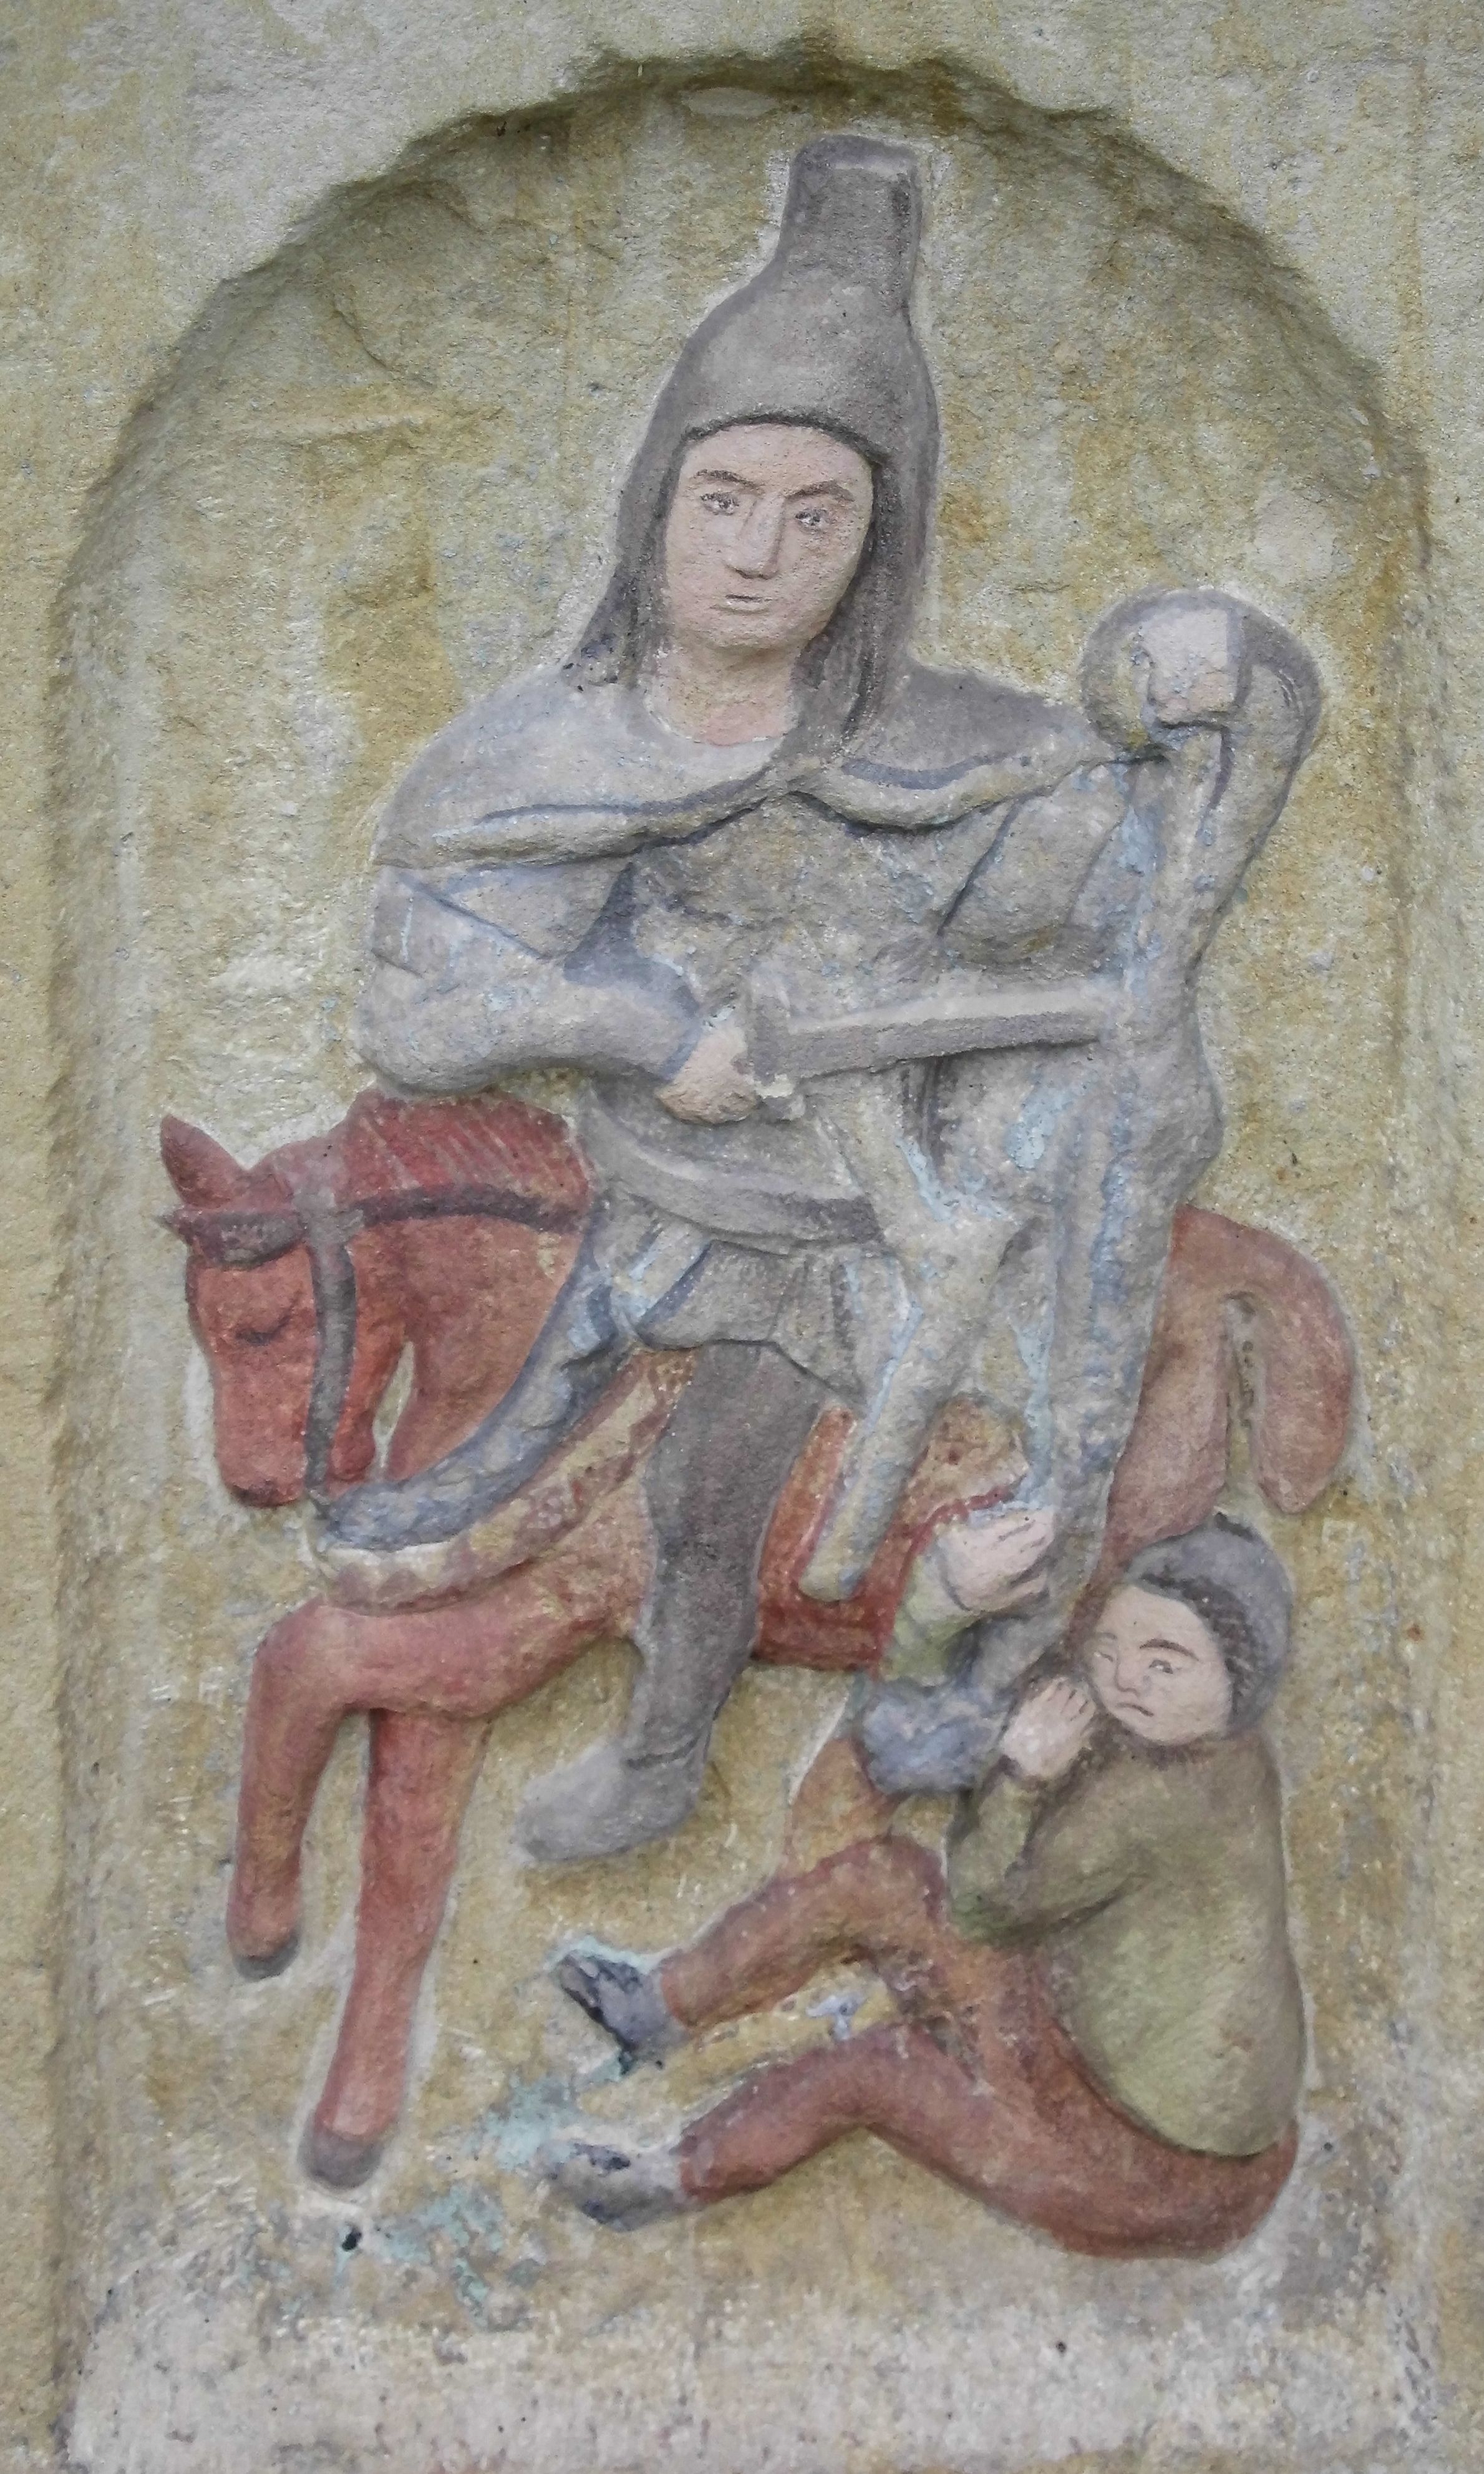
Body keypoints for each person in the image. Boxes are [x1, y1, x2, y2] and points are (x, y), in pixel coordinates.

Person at [319, 130, 1321, 1863]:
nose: (756, 555)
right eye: (721, 499)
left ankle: (823, 1715)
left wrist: (1232, 679)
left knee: (721, 1486)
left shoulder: (956, 754)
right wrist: (641, 1031)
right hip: (667, 1185)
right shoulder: (539, 759)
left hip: (877, 1221)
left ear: (876, 542)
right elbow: (421, 1010)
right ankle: (522, 1560)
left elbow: (1139, 888)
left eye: (816, 515)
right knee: (547, 1358)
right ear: (654, 505)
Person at [545, 1517, 1306, 2261]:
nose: (1125, 1679)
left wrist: (1021, 1774)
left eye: (1165, 1663)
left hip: (1138, 2164)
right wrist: (948, 1608)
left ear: (1239, 1680)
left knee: (876, 2070)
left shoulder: (1156, 1801)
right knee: (885, 1879)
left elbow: (981, 1903)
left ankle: (667, 2177)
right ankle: (657, 2006)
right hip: (1098, 2071)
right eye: (1109, 1649)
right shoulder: (1217, 1749)